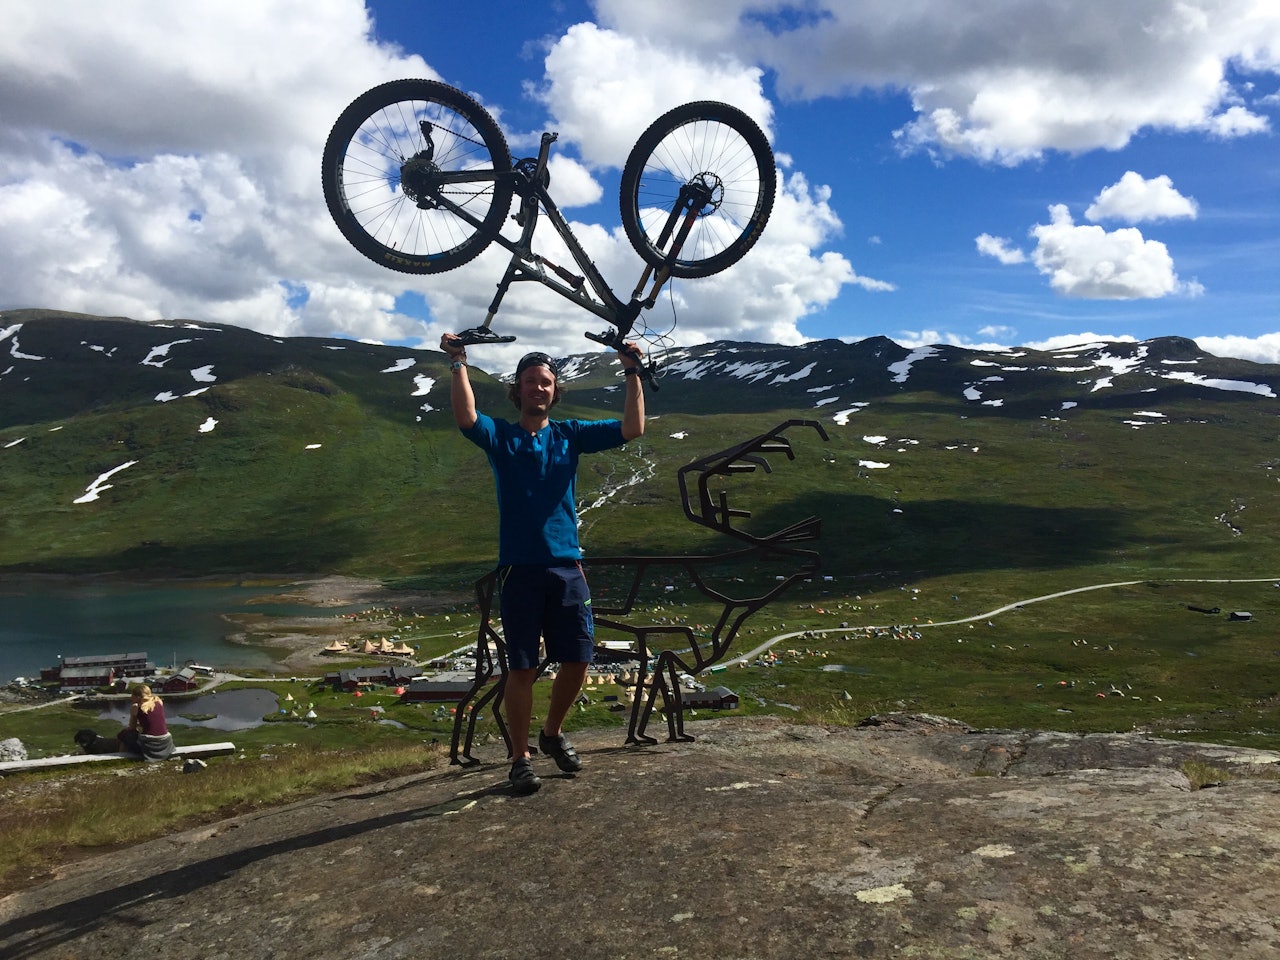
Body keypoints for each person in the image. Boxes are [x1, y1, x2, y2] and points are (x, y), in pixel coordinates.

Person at [440, 333, 645, 795]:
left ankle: (551, 733)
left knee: (578, 659)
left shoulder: (570, 435)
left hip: (567, 567)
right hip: (519, 570)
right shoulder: (501, 435)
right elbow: (466, 418)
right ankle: (519, 758)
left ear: (555, 391)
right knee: (523, 668)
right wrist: (458, 363)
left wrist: (632, 372)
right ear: (518, 390)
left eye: (546, 382)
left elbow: (633, 429)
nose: (538, 388)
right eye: (530, 381)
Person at [118, 683, 175, 761]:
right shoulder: (158, 701)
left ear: (138, 697)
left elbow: (132, 727)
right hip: (166, 742)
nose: (131, 698)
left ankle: (119, 755)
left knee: (125, 734)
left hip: (150, 744)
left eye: (133, 696)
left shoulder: (136, 707)